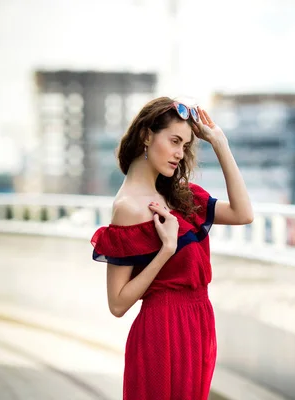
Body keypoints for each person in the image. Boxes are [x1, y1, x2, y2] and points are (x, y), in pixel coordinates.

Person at [90, 96, 253, 400]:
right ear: (147, 135)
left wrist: (220, 143)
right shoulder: (128, 208)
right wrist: (165, 250)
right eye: (175, 141)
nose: (180, 153)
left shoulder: (183, 197)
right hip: (162, 333)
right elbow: (118, 303)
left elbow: (244, 214)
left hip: (198, 325)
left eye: (186, 146)